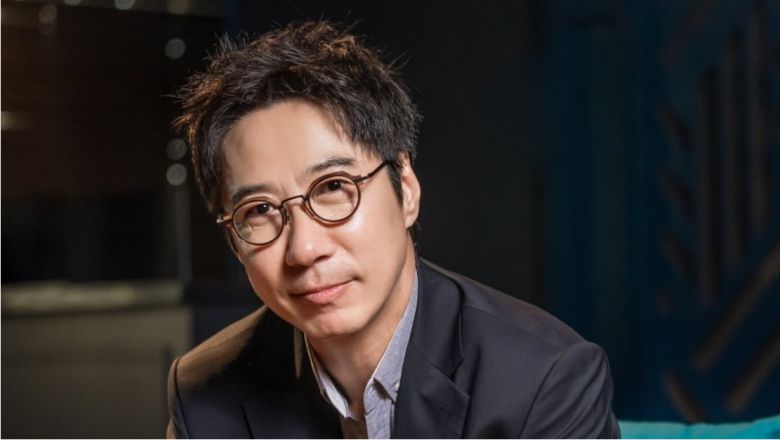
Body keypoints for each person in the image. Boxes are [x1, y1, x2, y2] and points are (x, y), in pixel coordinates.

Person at [166, 20, 620, 439]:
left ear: (406, 189)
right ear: (233, 239)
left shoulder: (544, 379)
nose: (303, 249)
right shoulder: (203, 391)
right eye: (260, 209)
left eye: (334, 187)